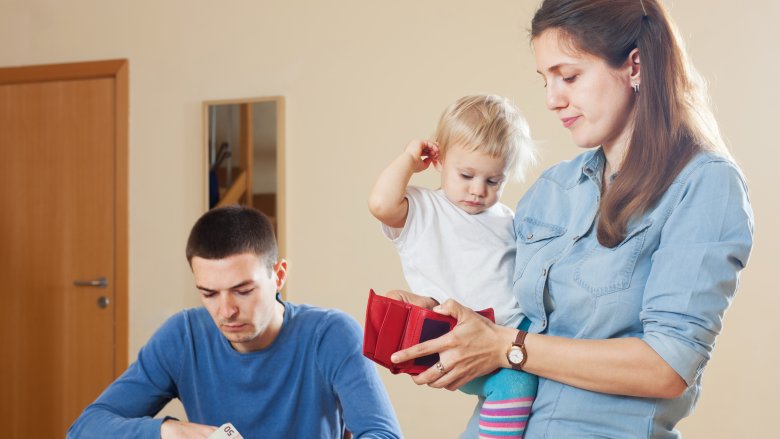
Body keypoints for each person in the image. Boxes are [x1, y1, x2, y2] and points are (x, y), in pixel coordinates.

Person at [387, 1, 754, 438]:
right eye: (546, 80)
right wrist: (445, 322)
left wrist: (508, 348)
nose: (552, 100)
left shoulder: (704, 184)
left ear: (635, 65)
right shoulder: (551, 191)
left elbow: (668, 365)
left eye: (570, 76)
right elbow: (507, 316)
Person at [68, 206, 402, 439]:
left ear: (278, 276)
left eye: (242, 291)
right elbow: (86, 429)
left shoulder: (330, 334)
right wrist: (172, 431)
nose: (226, 311)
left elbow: (383, 433)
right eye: (209, 293)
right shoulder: (183, 336)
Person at [368, 94, 537, 438]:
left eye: (493, 181)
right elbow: (381, 204)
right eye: (466, 175)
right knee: (517, 382)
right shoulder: (422, 209)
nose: (478, 190)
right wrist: (407, 160)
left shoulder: (506, 219)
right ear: (439, 160)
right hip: (459, 340)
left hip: (516, 328)